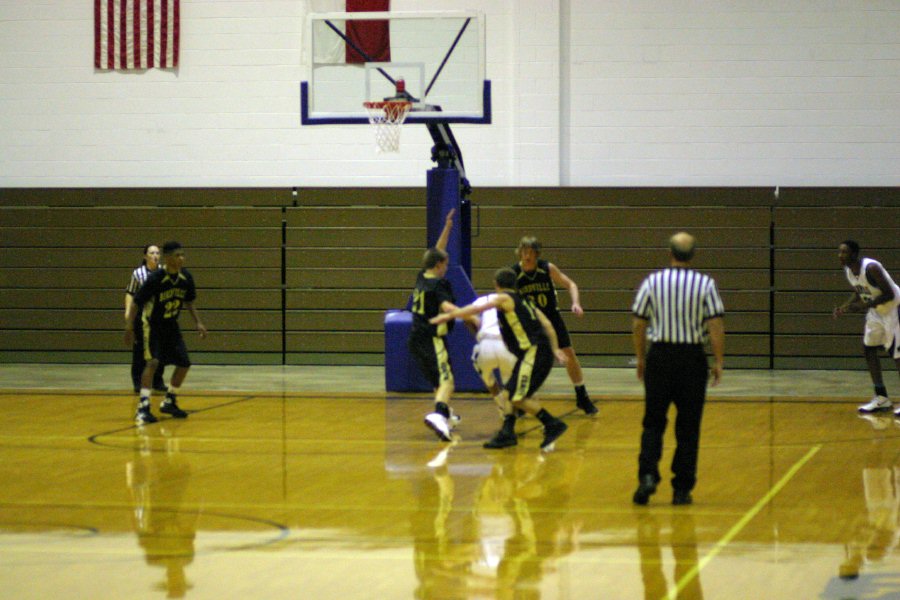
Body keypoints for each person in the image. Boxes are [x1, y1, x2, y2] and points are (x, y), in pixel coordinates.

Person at [631, 232, 725, 506]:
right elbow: (715, 324)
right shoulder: (705, 284)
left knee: (653, 423)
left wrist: (640, 357)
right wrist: (718, 361)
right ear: (693, 254)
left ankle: (647, 477)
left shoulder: (653, 281)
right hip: (691, 359)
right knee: (688, 426)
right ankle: (681, 488)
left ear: (669, 252)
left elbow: (639, 322)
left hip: (659, 356)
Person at [432, 267, 570, 451]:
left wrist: (450, 314)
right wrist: (556, 349)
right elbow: (548, 325)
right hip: (532, 352)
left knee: (516, 397)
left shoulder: (504, 298)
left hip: (533, 352)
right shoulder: (526, 301)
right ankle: (507, 433)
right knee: (508, 394)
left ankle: (552, 424)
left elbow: (477, 308)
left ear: (496, 285)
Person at [512, 237, 598, 416]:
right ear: (520, 252)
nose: (527, 255)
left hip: (551, 317)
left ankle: (581, 395)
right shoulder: (514, 273)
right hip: (530, 322)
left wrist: (576, 303)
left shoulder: (546, 268)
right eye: (524, 251)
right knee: (526, 360)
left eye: (530, 252)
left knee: (569, 354)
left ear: (537, 253)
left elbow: (570, 284)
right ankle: (522, 399)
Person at [125, 241, 207, 425]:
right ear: (168, 258)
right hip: (151, 324)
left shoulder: (186, 277)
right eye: (177, 255)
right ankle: (143, 408)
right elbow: (136, 302)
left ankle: (170, 401)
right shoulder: (156, 278)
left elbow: (189, 301)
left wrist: (198, 322)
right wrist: (129, 327)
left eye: (183, 255)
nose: (181, 259)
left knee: (184, 363)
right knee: (153, 362)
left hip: (171, 325)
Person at [408, 209, 462, 442]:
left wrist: (447, 228)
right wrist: (471, 315)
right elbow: (448, 308)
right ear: (439, 265)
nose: (447, 267)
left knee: (438, 382)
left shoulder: (422, 276)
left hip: (415, 339)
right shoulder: (439, 286)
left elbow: (437, 251)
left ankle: (446, 413)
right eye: (446, 263)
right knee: (448, 380)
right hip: (432, 339)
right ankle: (439, 415)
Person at [832, 240, 900, 414]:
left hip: (894, 308)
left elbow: (889, 294)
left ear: (854, 254)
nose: (840, 255)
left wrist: (862, 306)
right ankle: (881, 397)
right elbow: (860, 290)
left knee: (897, 354)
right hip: (876, 311)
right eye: (839, 252)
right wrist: (845, 307)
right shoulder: (849, 271)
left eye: (844, 252)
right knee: (868, 349)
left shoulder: (871, 268)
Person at [125, 244, 167, 394]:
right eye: (151, 253)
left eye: (157, 253)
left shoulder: (164, 272)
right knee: (140, 350)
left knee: (159, 350)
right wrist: (128, 312)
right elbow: (130, 293)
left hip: (159, 317)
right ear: (145, 256)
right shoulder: (138, 273)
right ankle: (138, 382)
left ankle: (157, 381)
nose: (155, 255)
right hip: (142, 316)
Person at [468, 293, 518, 418]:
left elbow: (467, 316)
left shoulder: (484, 299)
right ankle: (510, 414)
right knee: (510, 387)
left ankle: (499, 402)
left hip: (486, 345)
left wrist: (477, 329)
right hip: (506, 345)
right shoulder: (517, 299)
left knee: (487, 377)